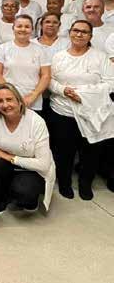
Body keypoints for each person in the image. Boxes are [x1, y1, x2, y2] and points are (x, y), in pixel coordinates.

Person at [48, 20, 114, 200]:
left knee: (90, 151)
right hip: (63, 111)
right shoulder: (58, 56)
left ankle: (85, 184)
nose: (79, 34)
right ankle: (64, 183)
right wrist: (63, 90)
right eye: (76, 30)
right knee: (64, 151)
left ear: (90, 36)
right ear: (69, 33)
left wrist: (83, 94)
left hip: (92, 112)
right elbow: (49, 80)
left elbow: (110, 83)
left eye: (84, 32)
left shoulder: (100, 57)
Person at [0, 83, 56, 212]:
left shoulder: (36, 122)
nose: (5, 105)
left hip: (33, 169)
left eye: (9, 99)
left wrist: (8, 157)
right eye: (0, 101)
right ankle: (4, 194)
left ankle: (27, 198)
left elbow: (43, 165)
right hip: (7, 166)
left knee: (24, 191)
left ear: (19, 101)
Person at [0, 14, 51, 112]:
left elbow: (46, 76)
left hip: (32, 101)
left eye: (27, 27)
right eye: (19, 26)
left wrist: (33, 96)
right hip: (8, 100)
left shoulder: (40, 50)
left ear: (32, 29)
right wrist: (11, 95)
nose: (23, 29)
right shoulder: (2, 48)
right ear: (13, 28)